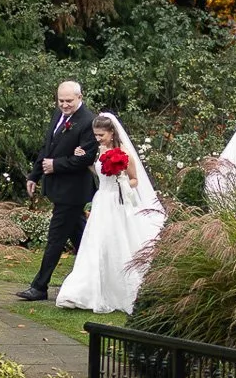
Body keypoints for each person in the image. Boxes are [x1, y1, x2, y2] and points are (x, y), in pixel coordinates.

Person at [56, 113, 165, 314]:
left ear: (112, 132)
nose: (98, 138)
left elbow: (134, 180)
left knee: (114, 241)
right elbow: (99, 173)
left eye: (101, 135)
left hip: (116, 202)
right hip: (102, 200)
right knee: (95, 243)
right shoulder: (101, 150)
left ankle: (117, 289)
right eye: (96, 135)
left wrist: (121, 180)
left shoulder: (123, 153)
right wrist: (84, 159)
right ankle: (84, 290)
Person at [18, 81, 99, 302]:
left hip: (73, 190)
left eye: (68, 101)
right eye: (60, 100)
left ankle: (39, 286)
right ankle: (99, 275)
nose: (64, 105)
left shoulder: (88, 121)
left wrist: (56, 165)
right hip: (59, 188)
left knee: (55, 237)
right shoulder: (59, 115)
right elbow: (47, 147)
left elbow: (87, 157)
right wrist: (34, 175)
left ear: (80, 97)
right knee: (82, 237)